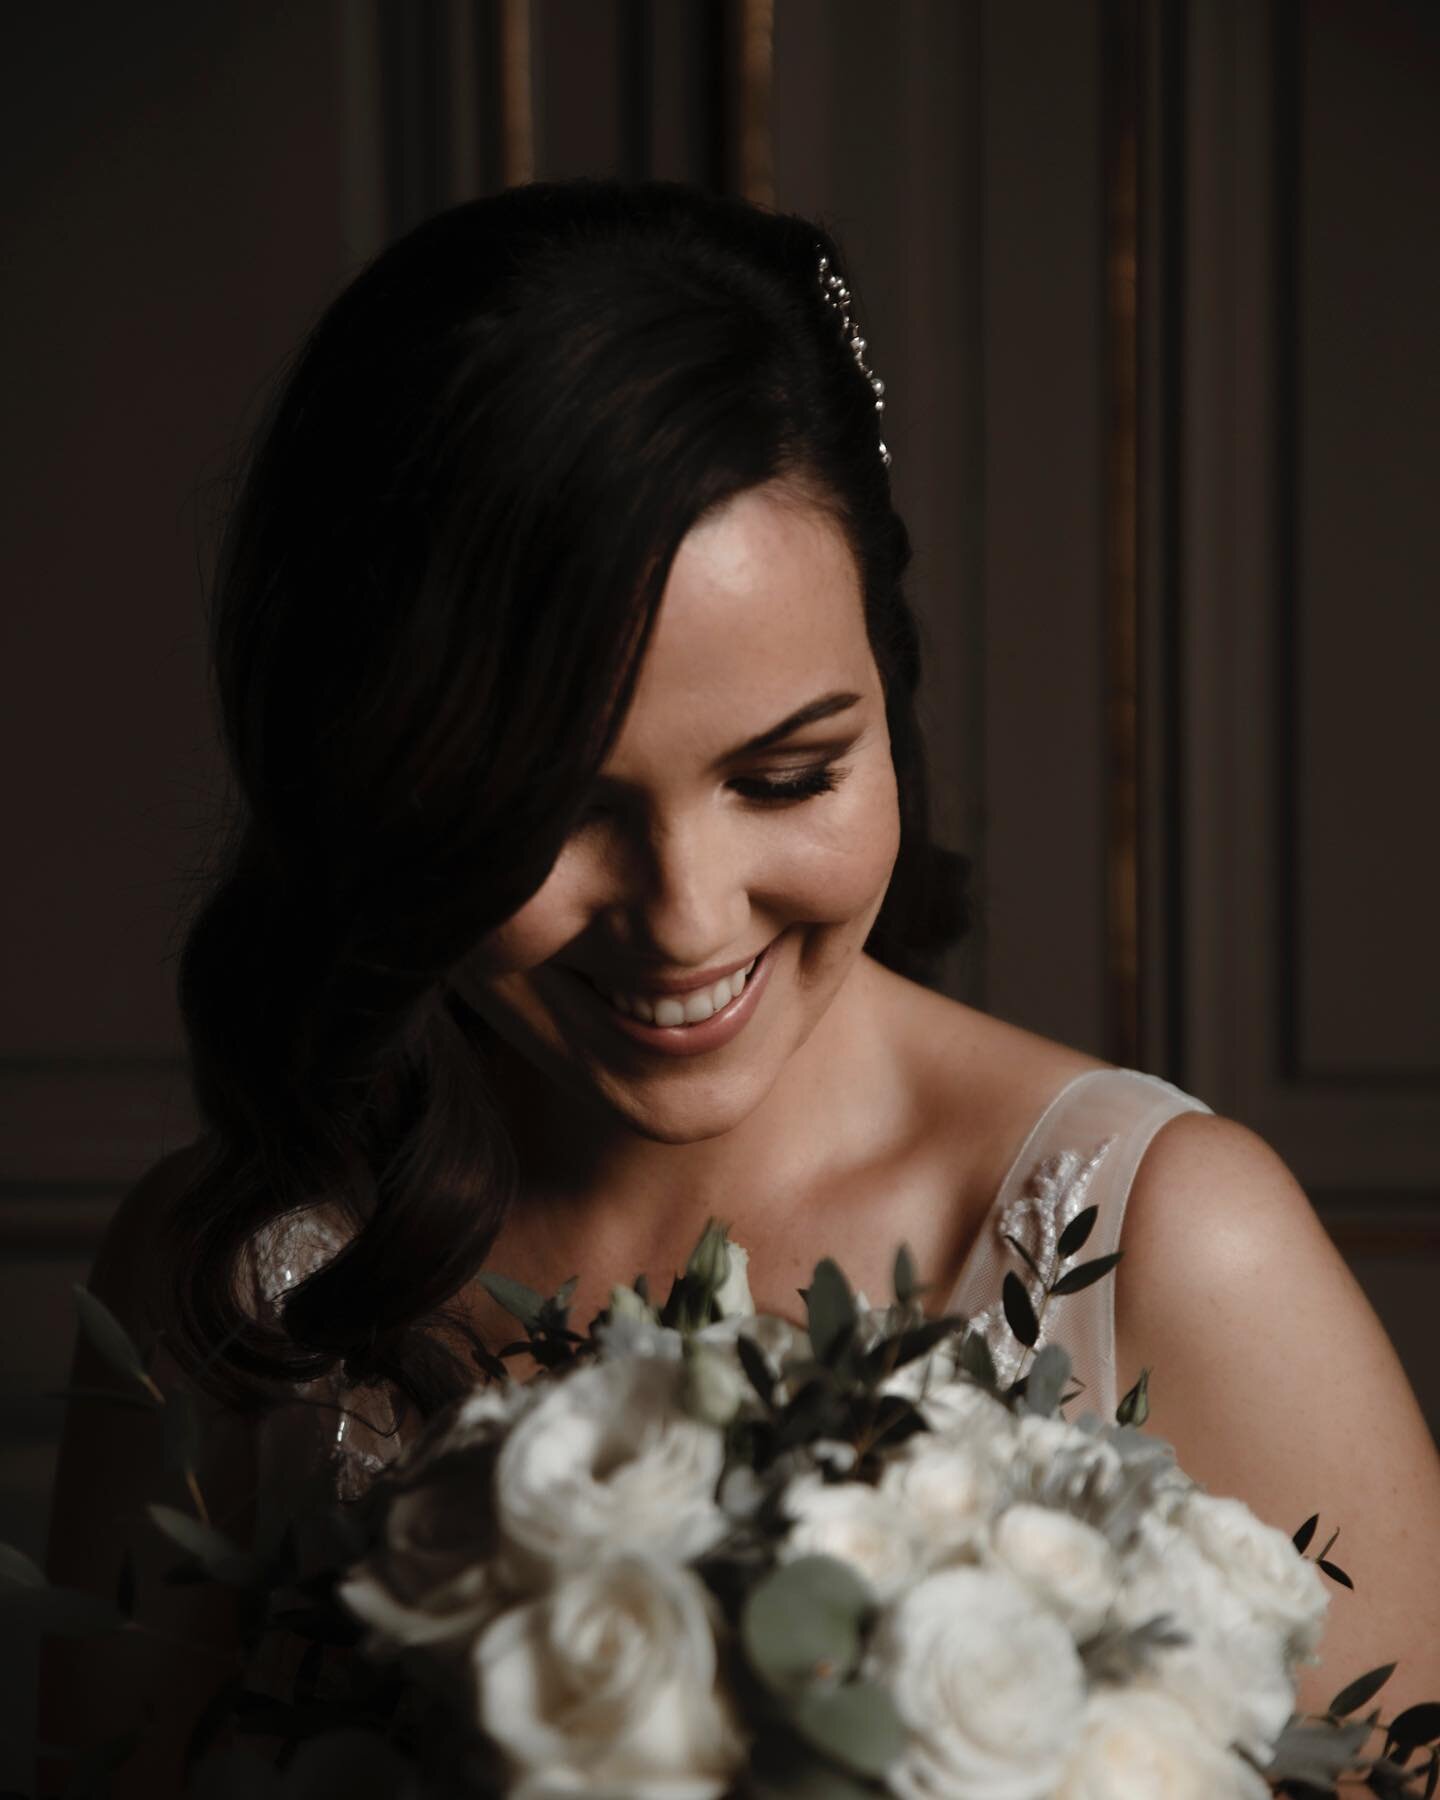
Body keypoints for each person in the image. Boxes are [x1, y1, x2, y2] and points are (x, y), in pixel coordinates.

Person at [42, 178, 1440, 1796]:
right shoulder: (231, 1277)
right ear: (381, 784)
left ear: (887, 703)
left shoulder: (1174, 1248)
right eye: (555, 807)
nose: (688, 921)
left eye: (788, 775)